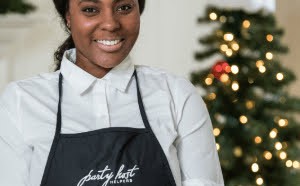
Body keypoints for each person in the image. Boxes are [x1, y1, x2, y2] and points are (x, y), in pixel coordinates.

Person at [0, 0, 224, 185]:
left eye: (124, 7)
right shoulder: (22, 101)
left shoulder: (176, 94)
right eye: (90, 9)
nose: (110, 23)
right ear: (68, 17)